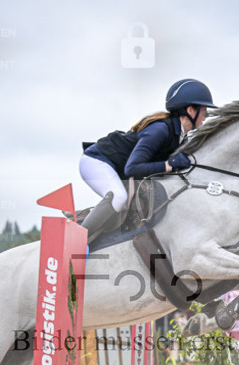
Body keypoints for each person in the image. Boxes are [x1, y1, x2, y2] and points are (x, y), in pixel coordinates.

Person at [79, 78, 216, 243]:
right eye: (204, 111)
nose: (206, 116)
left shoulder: (181, 137)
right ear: (190, 110)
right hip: (97, 161)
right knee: (118, 197)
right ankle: (75, 241)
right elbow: (132, 168)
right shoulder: (160, 130)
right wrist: (168, 165)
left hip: (118, 169)